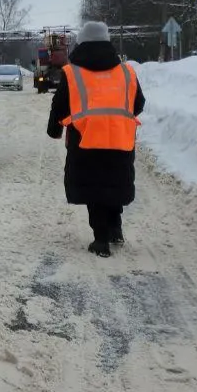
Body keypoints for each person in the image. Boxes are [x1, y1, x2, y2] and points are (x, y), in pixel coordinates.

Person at [46, 21, 146, 258]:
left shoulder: (72, 73)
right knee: (113, 183)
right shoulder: (126, 71)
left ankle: (101, 240)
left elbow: (59, 106)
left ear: (81, 43)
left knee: (94, 188)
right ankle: (115, 229)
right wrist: (116, 118)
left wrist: (54, 130)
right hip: (121, 139)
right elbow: (138, 103)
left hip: (85, 140)